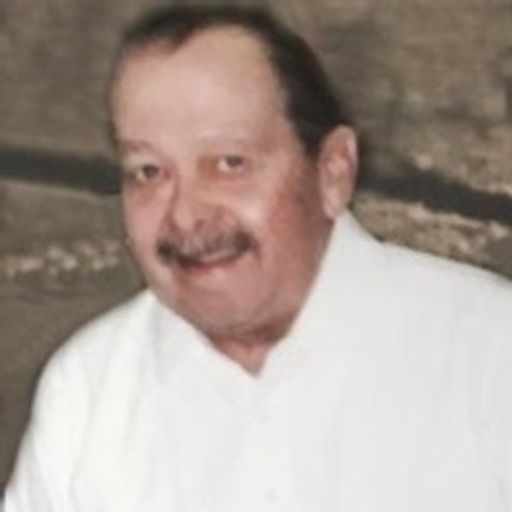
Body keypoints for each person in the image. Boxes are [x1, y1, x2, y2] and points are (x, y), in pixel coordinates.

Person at [4, 5, 511, 511]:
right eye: (148, 172)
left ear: (333, 173)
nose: (185, 215)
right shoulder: (91, 388)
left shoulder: (488, 354)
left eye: (229, 164)